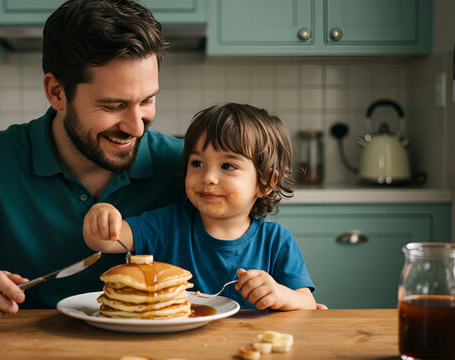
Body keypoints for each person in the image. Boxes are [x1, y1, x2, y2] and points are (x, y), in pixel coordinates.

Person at [0, 0, 186, 327]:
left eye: (147, 100)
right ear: (56, 92)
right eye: (113, 105)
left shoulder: (187, 167)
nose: (137, 126)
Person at [83, 103, 317, 310]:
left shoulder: (276, 240)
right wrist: (101, 215)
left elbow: (307, 303)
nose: (208, 177)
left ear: (266, 183)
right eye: (197, 163)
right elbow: (102, 240)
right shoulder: (168, 224)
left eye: (227, 166)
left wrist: (279, 294)